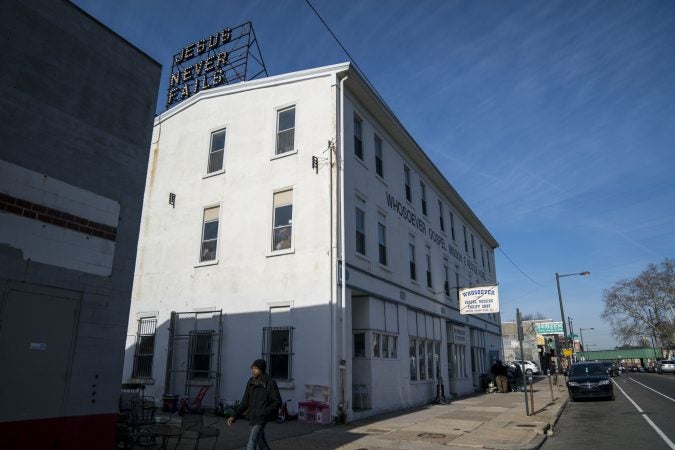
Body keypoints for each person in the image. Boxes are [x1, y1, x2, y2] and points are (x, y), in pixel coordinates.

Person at [227, 359, 282, 450]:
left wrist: (264, 411)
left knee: (251, 443)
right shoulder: (251, 382)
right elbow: (244, 402)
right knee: (261, 443)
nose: (253, 370)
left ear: (262, 369)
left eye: (256, 368)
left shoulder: (270, 382)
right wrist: (234, 415)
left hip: (261, 418)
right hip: (252, 417)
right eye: (252, 368)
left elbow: (278, 401)